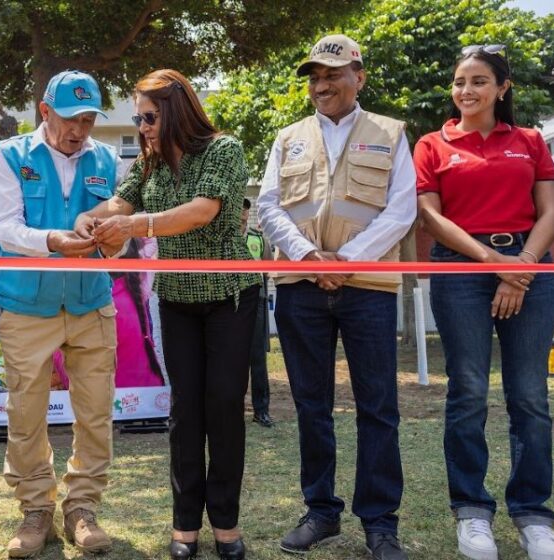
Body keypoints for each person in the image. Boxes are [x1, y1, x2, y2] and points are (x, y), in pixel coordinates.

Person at [75, 68, 261, 560]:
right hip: (176, 301)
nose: (143, 126)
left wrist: (135, 223)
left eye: (150, 116)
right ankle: (184, 526)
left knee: (222, 408)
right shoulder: (149, 160)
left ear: (176, 109)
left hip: (229, 299)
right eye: (138, 118)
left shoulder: (223, 149)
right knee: (183, 412)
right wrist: (92, 218)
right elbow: (121, 199)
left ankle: (226, 524)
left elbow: (203, 210)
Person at [257, 35, 416, 560]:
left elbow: (402, 210)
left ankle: (379, 522)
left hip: (367, 287)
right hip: (302, 285)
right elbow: (269, 207)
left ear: (359, 77)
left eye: (332, 75)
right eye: (314, 77)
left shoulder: (391, 133)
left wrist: (346, 262)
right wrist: (308, 258)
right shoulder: (288, 137)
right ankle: (321, 512)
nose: (321, 85)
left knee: (378, 406)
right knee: (311, 405)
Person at [414, 45, 554, 560]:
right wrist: (493, 264)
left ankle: (534, 513)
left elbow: (550, 209)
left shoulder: (531, 141)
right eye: (458, 82)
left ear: (502, 87)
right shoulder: (432, 144)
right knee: (468, 392)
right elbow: (431, 217)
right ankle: (471, 511)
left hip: (531, 266)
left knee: (530, 396)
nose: (465, 91)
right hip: (460, 270)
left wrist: (522, 268)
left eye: (477, 81)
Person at [0, 70, 119, 558]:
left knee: (96, 413)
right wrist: (54, 242)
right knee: (25, 414)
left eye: (88, 119)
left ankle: (82, 507)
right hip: (26, 306)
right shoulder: (11, 155)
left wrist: (113, 239)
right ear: (45, 112)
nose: (79, 130)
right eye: (70, 119)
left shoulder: (108, 159)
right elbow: (4, 228)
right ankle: (35, 510)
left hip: (91, 303)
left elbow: (120, 233)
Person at [241, 198, 273, 428]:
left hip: (257, 300)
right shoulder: (226, 236)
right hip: (230, 302)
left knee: (258, 359)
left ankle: (261, 411)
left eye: (246, 209)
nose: (243, 213)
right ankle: (233, 409)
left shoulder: (257, 238)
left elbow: (268, 269)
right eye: (240, 208)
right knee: (232, 359)